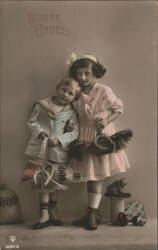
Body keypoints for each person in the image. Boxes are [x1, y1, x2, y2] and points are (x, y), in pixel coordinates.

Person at [67, 53, 130, 230]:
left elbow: (118, 109)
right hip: (84, 134)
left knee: (97, 175)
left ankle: (92, 213)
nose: (83, 77)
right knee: (90, 175)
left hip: (101, 135)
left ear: (95, 72)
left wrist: (106, 120)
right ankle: (90, 213)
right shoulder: (76, 90)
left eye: (87, 73)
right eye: (79, 73)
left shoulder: (104, 90)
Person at [23, 76, 80, 230]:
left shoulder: (71, 112)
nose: (65, 95)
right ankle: (44, 214)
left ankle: (53, 212)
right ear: (57, 88)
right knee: (43, 180)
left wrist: (60, 140)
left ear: (74, 97)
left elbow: (74, 132)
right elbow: (32, 121)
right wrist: (40, 132)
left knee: (56, 182)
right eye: (64, 90)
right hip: (41, 151)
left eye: (71, 93)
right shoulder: (42, 105)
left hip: (59, 152)